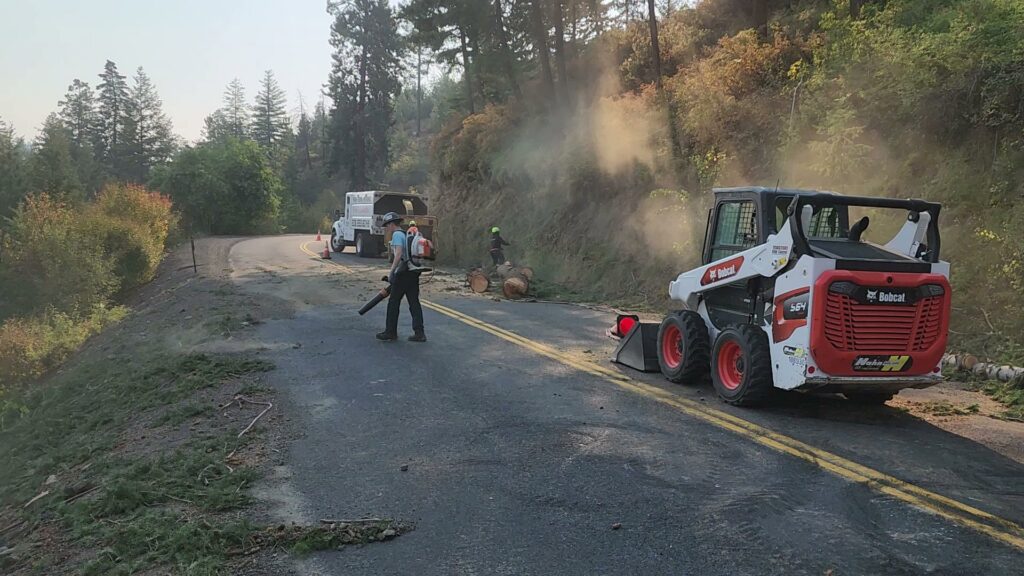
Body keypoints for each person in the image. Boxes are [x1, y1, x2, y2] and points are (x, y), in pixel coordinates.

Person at [377, 212, 426, 342]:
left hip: (403, 272)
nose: (387, 228)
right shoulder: (406, 234)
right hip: (413, 271)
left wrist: (392, 271)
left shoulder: (397, 235)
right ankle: (419, 333)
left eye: (387, 225)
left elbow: (398, 254)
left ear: (392, 224)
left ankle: (390, 332)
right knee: (414, 302)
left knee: (393, 302)